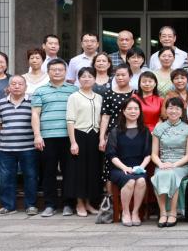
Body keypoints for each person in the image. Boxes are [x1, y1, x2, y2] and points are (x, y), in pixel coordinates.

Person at [32, 58, 78, 217]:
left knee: (69, 172)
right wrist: (37, 135)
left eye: (60, 70)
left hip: (68, 137)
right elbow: (35, 114)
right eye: (54, 70)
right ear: (48, 72)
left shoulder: (73, 90)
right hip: (47, 137)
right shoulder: (40, 91)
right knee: (48, 172)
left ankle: (68, 204)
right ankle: (49, 205)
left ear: (66, 72)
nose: (57, 72)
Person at [0, 75, 39, 216]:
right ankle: (8, 206)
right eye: (13, 84)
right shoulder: (1, 103)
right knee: (6, 177)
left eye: (20, 84)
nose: (17, 86)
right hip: (6, 148)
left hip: (28, 147)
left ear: (26, 87)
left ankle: (31, 205)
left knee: (30, 176)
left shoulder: (32, 101)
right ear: (9, 87)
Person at [105, 97, 152, 227]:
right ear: (123, 111)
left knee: (141, 180)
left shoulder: (145, 131)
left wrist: (141, 167)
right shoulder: (115, 131)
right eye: (129, 109)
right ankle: (125, 212)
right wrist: (125, 168)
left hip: (139, 167)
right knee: (130, 180)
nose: (133, 111)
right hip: (119, 168)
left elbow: (148, 154)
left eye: (136, 109)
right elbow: (111, 155)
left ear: (140, 111)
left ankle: (135, 212)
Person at [149, 97, 188, 227]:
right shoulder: (159, 128)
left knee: (171, 174)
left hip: (181, 164)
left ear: (182, 111)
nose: (173, 111)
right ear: (166, 110)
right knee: (159, 175)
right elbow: (154, 154)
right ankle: (163, 212)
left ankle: (173, 212)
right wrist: (161, 164)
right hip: (163, 163)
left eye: (177, 108)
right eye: (170, 108)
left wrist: (174, 165)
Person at [64, 67, 103, 216]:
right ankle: (79, 203)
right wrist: (73, 142)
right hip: (79, 135)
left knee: (92, 171)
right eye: (83, 76)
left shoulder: (98, 97)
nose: (87, 79)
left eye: (90, 76)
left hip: (95, 136)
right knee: (79, 171)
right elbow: (70, 120)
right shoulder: (74, 97)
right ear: (78, 79)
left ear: (95, 79)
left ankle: (88, 203)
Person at [99, 64, 135, 184]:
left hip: (132, 132)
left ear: (130, 76)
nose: (120, 77)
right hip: (113, 133)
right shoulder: (109, 93)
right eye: (117, 75)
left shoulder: (135, 93)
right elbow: (105, 116)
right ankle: (110, 194)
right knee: (111, 161)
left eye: (123, 75)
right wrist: (102, 137)